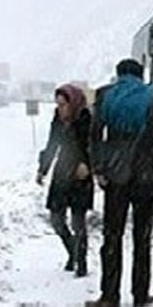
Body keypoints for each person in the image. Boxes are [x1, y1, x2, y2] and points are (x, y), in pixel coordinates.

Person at [86, 58, 153, 307]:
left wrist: (99, 169)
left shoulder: (107, 97)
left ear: (119, 74)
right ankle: (140, 294)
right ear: (140, 74)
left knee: (112, 236)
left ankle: (109, 295)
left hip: (115, 175)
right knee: (141, 237)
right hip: (144, 175)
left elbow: (95, 136)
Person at [37, 83, 94, 276]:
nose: (60, 109)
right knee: (56, 220)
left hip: (80, 175)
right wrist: (42, 169)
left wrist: (87, 164)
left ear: (73, 103)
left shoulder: (86, 119)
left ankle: (82, 261)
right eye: (58, 105)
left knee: (78, 221)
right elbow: (52, 144)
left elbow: (94, 146)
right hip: (62, 174)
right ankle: (73, 251)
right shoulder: (58, 120)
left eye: (63, 105)